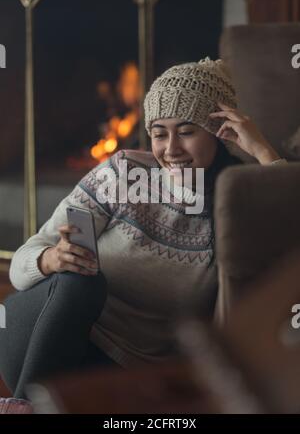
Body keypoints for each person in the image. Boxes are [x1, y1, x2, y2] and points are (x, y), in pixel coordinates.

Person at [0, 57, 286, 403]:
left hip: (119, 370)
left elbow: (288, 236)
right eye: (159, 133)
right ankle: (21, 406)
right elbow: (20, 268)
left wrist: (262, 151)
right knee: (81, 281)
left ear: (219, 133)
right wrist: (50, 260)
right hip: (36, 341)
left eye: (187, 131)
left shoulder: (236, 200)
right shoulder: (121, 173)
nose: (171, 149)